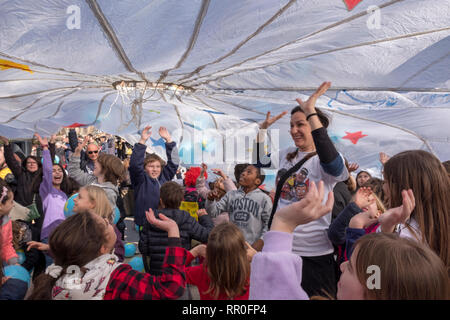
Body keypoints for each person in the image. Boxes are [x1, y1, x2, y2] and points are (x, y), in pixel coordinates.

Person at [254, 82, 349, 296]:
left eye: (300, 125)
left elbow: (334, 167)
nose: (293, 130)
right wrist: (262, 130)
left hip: (313, 252)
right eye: (291, 125)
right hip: (283, 244)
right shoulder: (288, 153)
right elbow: (260, 161)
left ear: (315, 127)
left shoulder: (325, 160)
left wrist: (311, 112)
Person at [27, 209, 188, 300]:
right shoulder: (116, 276)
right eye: (106, 223)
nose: (108, 220)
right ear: (103, 248)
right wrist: (173, 232)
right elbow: (170, 289)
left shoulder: (59, 273)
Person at [378, 150, 450, 272]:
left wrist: (383, 232)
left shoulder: (407, 239)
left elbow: (373, 282)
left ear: (402, 188)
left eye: (385, 182)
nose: (383, 187)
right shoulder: (438, 227)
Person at [28, 185, 125, 262]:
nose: (74, 199)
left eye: (79, 197)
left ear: (92, 204)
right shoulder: (76, 226)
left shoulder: (107, 229)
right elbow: (69, 251)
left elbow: (118, 256)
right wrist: (49, 248)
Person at [140, 181, 213, 275]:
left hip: (156, 273)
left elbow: (143, 248)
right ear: (181, 201)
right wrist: (204, 217)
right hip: (179, 271)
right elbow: (209, 235)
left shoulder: (151, 218)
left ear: (161, 201)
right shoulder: (186, 218)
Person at [205, 165, 271, 251]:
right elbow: (213, 212)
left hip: (252, 248)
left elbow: (269, 223)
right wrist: (210, 200)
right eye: (243, 171)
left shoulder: (264, 199)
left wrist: (261, 240)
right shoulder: (231, 195)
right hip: (232, 246)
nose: (243, 173)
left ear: (257, 181)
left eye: (249, 172)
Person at [186, 222, 257, 300]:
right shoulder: (248, 272)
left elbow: (173, 271)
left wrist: (195, 252)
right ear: (243, 251)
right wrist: (257, 259)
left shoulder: (202, 271)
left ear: (209, 251)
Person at [129, 125, 179, 228]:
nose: (155, 169)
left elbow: (174, 163)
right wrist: (142, 141)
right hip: (145, 222)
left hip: (163, 220)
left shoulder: (165, 176)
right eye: (151, 166)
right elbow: (134, 165)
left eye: (157, 166)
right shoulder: (140, 179)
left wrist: (169, 140)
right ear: (144, 168)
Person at [68, 136, 126, 207]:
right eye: (90, 152)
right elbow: (73, 171)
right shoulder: (91, 180)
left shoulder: (109, 192)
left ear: (105, 169)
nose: (95, 163)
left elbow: (107, 215)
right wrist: (77, 152)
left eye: (98, 162)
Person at [0, 180, 19, 265]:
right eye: (11, 202)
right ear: (1, 206)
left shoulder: (6, 221)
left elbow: (6, 245)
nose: (13, 205)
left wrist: (14, 262)